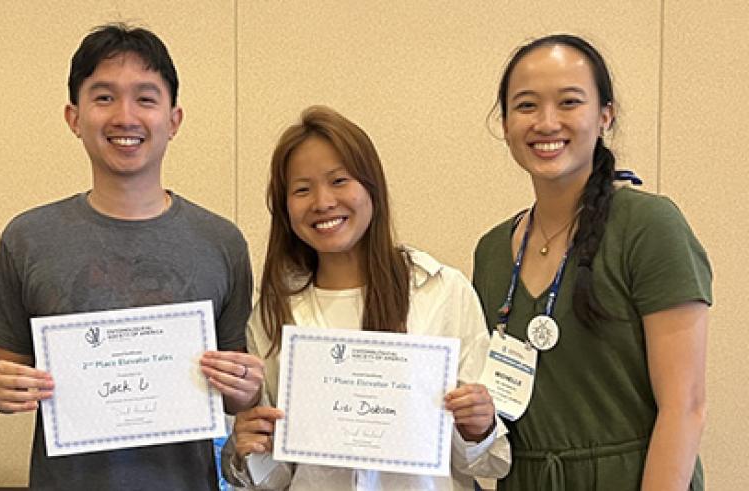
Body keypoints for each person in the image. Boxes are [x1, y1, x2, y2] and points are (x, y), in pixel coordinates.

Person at [0, 23, 260, 490]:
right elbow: (2, 366)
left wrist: (243, 388)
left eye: (146, 99)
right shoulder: (27, 238)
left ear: (174, 119)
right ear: (73, 116)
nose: (125, 116)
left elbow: (232, 393)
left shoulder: (221, 242)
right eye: (104, 97)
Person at [222, 106, 511, 490]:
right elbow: (276, 478)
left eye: (339, 180)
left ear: (371, 187)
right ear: (285, 206)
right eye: (302, 189)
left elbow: (488, 463)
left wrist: (479, 427)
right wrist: (250, 444)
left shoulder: (441, 292)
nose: (323, 202)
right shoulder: (275, 313)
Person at [473, 34, 711, 490]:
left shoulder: (648, 226)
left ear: (605, 115)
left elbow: (686, 405)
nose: (546, 122)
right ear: (504, 123)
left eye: (569, 102)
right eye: (525, 106)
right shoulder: (491, 251)